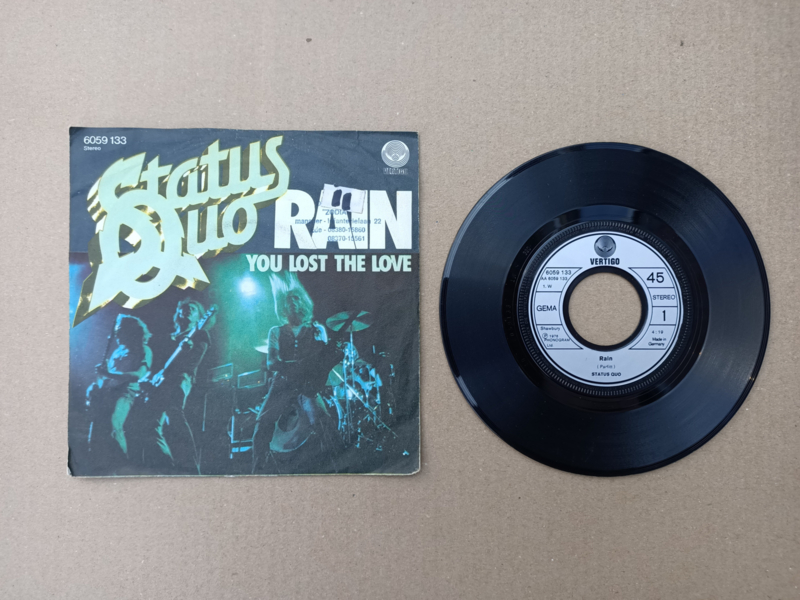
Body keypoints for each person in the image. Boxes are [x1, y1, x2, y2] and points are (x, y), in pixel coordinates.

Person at [251, 274, 342, 473]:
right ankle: (258, 469)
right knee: (262, 422)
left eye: (296, 298)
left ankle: (337, 467)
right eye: (288, 300)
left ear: (303, 303)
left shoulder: (317, 330)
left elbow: (323, 362)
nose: (292, 302)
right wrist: (299, 366)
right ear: (283, 307)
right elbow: (271, 362)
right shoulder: (276, 331)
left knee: (323, 421)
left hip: (307, 384)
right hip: (282, 383)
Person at [134, 298, 212, 474]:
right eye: (185, 308)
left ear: (200, 316)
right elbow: (156, 364)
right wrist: (147, 379)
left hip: (180, 377)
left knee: (174, 412)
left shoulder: (200, 334)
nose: (188, 310)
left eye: (193, 309)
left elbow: (193, 362)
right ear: (178, 313)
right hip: (159, 381)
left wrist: (187, 349)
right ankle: (166, 465)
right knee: (152, 425)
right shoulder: (168, 337)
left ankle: (191, 466)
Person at [85, 314, 152, 472]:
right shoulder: (117, 351)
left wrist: (108, 374)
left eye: (120, 330)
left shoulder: (144, 349)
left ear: (132, 330)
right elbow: (107, 377)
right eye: (116, 331)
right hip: (107, 392)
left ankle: (122, 466)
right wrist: (97, 383)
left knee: (113, 424)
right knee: (96, 428)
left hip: (125, 392)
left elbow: (138, 375)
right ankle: (98, 466)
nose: (117, 334)